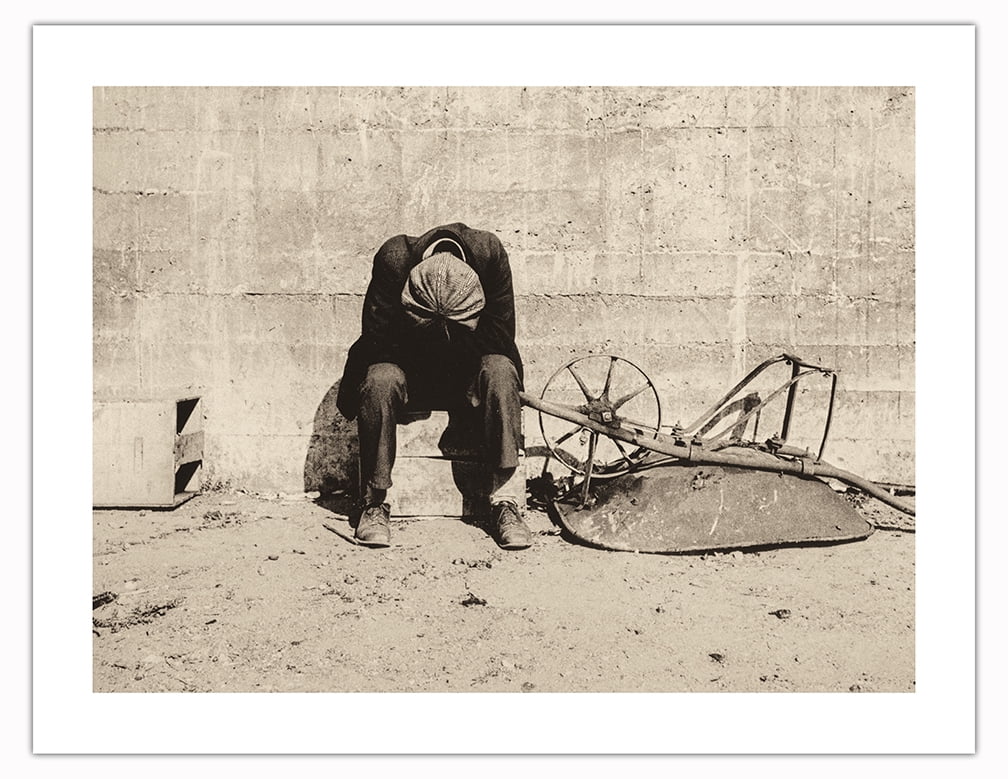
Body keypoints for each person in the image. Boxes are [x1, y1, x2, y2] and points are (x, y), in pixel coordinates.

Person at [336, 223, 530, 550]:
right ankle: (374, 501)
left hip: (469, 370)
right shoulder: (394, 259)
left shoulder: (489, 254)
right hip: (410, 368)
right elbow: (376, 338)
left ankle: (503, 501)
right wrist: (426, 340)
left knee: (500, 370)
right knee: (379, 378)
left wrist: (455, 349)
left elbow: (499, 336)